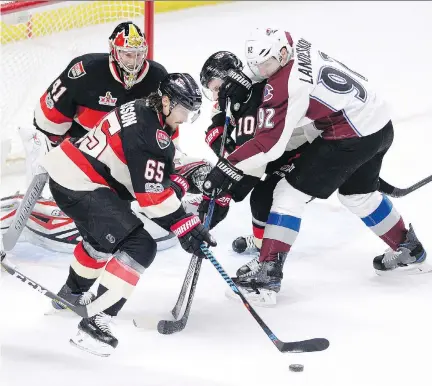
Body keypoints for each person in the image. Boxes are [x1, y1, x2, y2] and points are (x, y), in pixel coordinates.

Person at [202, 28, 428, 305]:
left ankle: (266, 278)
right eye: (256, 64)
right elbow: (265, 68)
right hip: (379, 124)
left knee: (286, 194)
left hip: (350, 137)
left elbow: (269, 145)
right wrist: (245, 77)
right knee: (358, 196)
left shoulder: (286, 84)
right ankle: (410, 250)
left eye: (266, 64)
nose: (261, 69)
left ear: (282, 55)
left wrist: (227, 166)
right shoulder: (295, 45)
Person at [39, 73, 216, 356]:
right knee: (140, 245)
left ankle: (70, 294)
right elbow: (151, 197)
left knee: (100, 240)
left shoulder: (145, 108)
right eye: (184, 110)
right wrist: (185, 224)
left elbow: (151, 160)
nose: (185, 118)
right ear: (167, 102)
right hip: (81, 184)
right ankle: (95, 325)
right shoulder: (151, 133)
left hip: (72, 173)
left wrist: (185, 170)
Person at [3, 21, 210, 254]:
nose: (134, 61)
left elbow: (166, 129)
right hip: (81, 146)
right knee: (57, 168)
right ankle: (42, 205)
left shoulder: (157, 76)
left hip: (120, 148)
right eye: (127, 54)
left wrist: (171, 166)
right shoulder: (86, 69)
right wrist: (53, 148)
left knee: (150, 176)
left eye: (139, 54)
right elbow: (48, 117)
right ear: (114, 50)